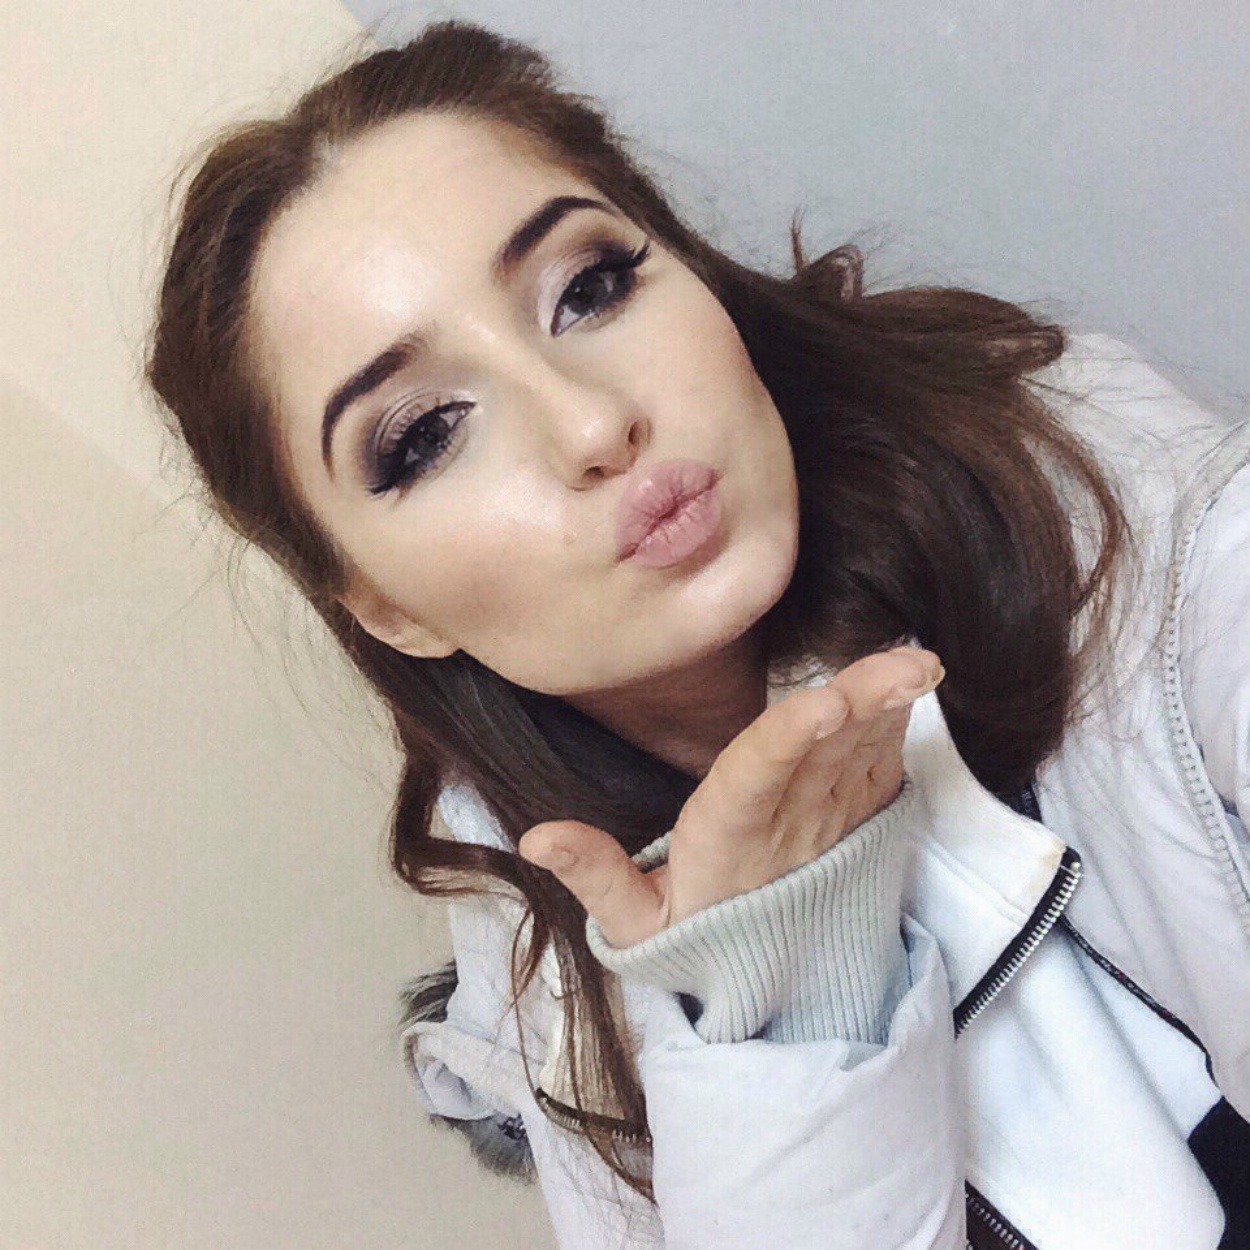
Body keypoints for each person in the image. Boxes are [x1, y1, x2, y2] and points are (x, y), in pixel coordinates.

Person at [145, 19, 1250, 1249]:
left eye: (589, 288)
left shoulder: (1097, 504)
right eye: (425, 433)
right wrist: (785, 1002)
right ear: (385, 607)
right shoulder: (555, 1000)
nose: (590, 425)